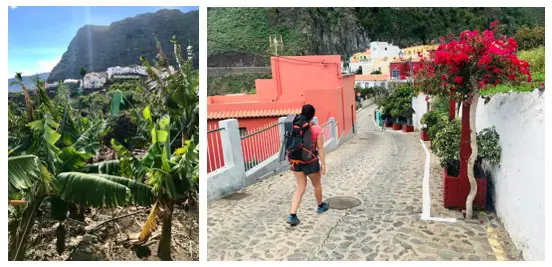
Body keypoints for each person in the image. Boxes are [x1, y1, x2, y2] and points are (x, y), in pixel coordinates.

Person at [287, 104, 328, 226]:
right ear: (312, 116)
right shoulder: (316, 129)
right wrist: (323, 164)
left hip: (296, 162)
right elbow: (320, 148)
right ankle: (320, 205)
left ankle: (292, 215)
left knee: (300, 188)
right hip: (310, 162)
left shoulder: (294, 127)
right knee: (316, 185)